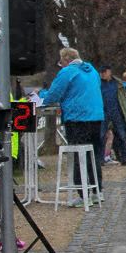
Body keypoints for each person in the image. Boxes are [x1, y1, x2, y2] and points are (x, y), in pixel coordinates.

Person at [41, 47, 104, 204]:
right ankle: (98, 191)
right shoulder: (93, 71)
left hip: (77, 118)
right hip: (96, 117)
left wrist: (41, 95)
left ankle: (83, 195)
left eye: (61, 62)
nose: (61, 65)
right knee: (93, 154)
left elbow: (54, 94)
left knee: (77, 155)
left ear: (66, 60)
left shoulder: (68, 71)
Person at [98, 65, 126, 166]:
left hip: (117, 111)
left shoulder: (117, 83)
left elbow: (122, 99)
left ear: (110, 71)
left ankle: (124, 157)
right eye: (102, 72)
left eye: (105, 72)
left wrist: (124, 112)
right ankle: (100, 159)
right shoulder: (98, 84)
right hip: (104, 112)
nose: (103, 74)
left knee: (121, 135)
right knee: (101, 136)